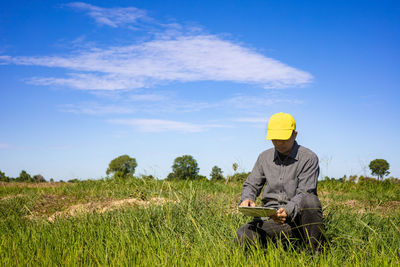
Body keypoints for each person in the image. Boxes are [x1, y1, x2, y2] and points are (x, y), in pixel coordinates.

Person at [236, 112, 324, 251]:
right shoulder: (264, 157)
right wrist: (247, 198)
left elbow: (304, 193)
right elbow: (251, 184)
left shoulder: (309, 158)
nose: (278, 143)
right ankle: (271, 251)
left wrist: (286, 211)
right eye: (274, 139)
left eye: (283, 139)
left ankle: (314, 254)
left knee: (310, 201)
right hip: (271, 219)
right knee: (243, 235)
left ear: (294, 135)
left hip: (298, 220)